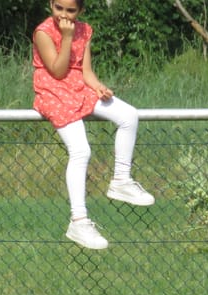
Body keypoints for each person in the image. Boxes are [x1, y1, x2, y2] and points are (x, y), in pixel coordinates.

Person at [33, 0, 154, 251]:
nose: (63, 15)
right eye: (59, 8)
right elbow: (57, 70)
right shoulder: (43, 32)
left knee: (129, 115)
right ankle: (79, 220)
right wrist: (66, 37)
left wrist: (98, 86)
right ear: (51, 5)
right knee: (81, 151)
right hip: (54, 94)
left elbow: (85, 71)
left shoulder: (85, 30)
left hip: (79, 88)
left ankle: (120, 180)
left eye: (70, 10)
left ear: (80, 11)